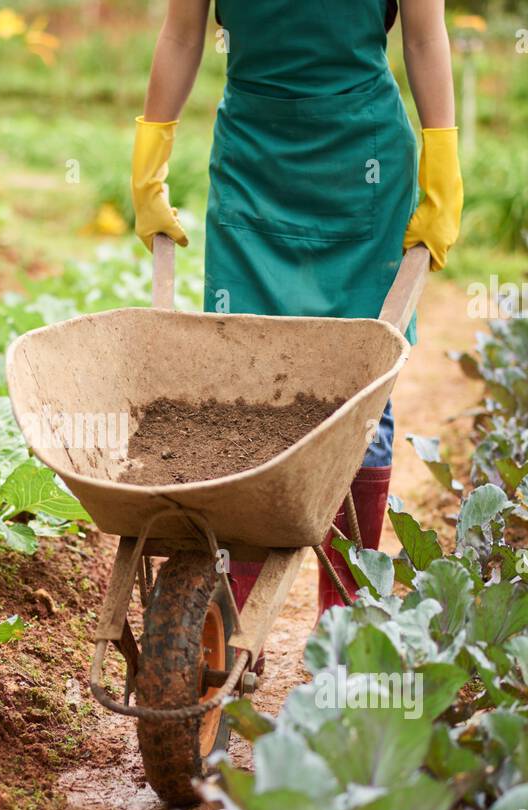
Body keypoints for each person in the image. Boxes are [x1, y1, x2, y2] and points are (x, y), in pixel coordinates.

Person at [131, 0, 463, 624]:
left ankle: (348, 604)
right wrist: (151, 155)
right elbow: (181, 34)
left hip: (361, 164)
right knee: (240, 374)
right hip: (253, 160)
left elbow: (423, 38)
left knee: (360, 383)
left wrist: (441, 162)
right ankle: (234, 596)